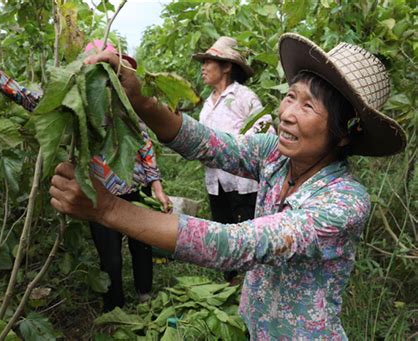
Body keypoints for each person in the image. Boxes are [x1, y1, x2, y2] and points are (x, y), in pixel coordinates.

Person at [49, 32, 406, 339]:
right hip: (255, 326)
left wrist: (108, 208)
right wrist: (140, 100)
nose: (287, 112)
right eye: (290, 96)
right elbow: (204, 142)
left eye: (308, 105)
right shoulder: (276, 158)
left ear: (344, 135)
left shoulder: (344, 202)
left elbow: (235, 245)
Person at [0, 40, 172, 312]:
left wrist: (156, 184)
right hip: (100, 192)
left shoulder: (123, 100)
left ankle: (145, 299)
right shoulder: (74, 101)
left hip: (135, 185)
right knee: (110, 259)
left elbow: (143, 141)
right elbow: (31, 99)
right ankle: (115, 311)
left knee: (143, 246)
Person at [193, 36, 275, 282]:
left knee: (246, 238)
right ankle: (230, 285)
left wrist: (232, 149)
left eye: (209, 62)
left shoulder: (244, 97)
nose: (203, 68)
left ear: (227, 66)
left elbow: (265, 132)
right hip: (216, 183)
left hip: (243, 183)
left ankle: (249, 287)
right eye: (203, 63)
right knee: (223, 234)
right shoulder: (207, 104)